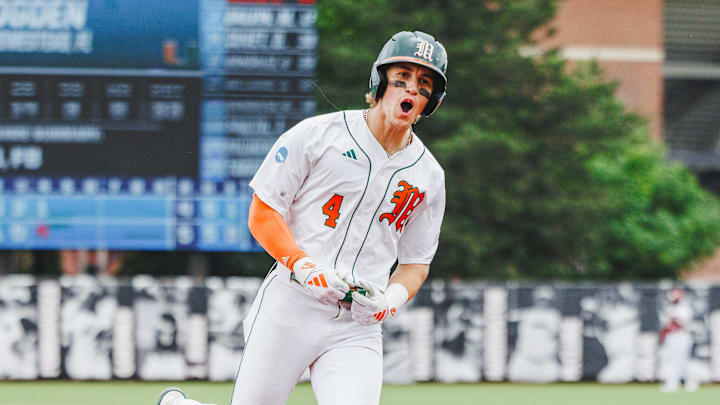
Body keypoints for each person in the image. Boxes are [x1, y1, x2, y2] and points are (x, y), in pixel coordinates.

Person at [157, 30, 448, 405]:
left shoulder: (428, 175)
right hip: (293, 302)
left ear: (431, 102)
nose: (411, 89)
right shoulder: (318, 135)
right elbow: (263, 214)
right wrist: (305, 266)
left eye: (424, 84)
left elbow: (415, 263)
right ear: (379, 81)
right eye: (402, 77)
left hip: (356, 326)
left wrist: (390, 299)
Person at [659, 288, 698, 392]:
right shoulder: (668, 307)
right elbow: (665, 323)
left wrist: (674, 318)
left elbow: (684, 322)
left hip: (682, 335)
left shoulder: (684, 307)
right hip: (671, 335)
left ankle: (691, 383)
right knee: (671, 360)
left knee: (683, 359)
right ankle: (672, 383)